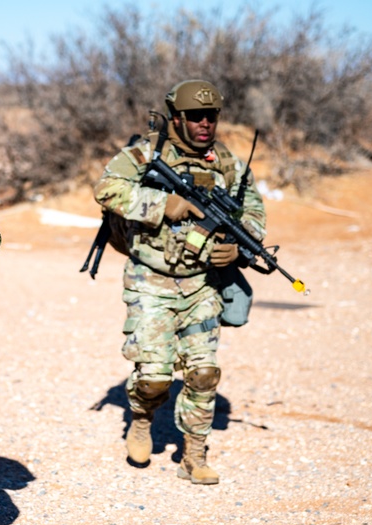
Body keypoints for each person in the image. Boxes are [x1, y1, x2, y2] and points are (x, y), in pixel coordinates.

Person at [93, 80, 266, 485]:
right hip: (150, 280)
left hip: (202, 284)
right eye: (195, 117)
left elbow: (253, 213)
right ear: (177, 117)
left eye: (212, 117)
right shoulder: (145, 153)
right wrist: (162, 204)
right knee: (154, 376)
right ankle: (141, 417)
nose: (205, 123)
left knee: (204, 372)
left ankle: (194, 454)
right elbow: (106, 188)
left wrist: (239, 250)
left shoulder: (227, 164)